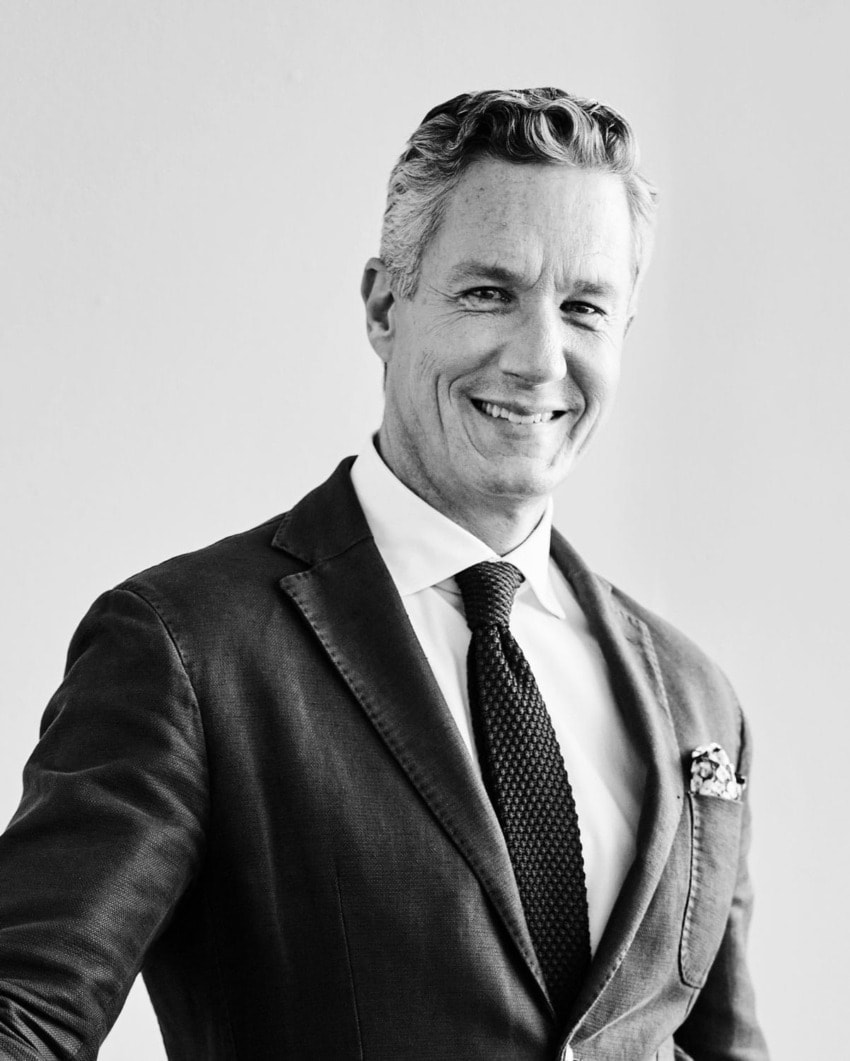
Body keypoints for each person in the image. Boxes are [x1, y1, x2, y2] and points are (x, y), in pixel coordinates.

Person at [0, 88, 769, 1061]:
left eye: (583, 306)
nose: (540, 357)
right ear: (382, 304)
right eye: (488, 292)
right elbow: (23, 1014)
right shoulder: (188, 644)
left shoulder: (697, 697)